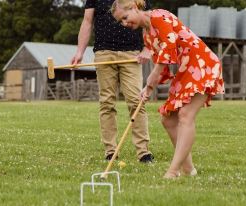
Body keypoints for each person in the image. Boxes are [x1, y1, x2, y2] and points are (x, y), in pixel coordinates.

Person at [111, 0, 225, 178]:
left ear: (134, 8)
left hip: (202, 65)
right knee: (168, 119)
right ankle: (189, 169)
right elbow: (161, 64)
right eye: (121, 22)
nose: (125, 23)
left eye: (125, 17)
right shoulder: (147, 35)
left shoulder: (159, 16)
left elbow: (168, 49)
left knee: (185, 115)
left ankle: (173, 171)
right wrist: (148, 89)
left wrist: (152, 78)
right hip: (186, 70)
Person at [71, 0, 154, 163]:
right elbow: (87, 21)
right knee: (107, 102)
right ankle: (110, 151)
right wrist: (80, 51)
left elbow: (149, 21)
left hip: (132, 55)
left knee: (136, 101)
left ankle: (143, 152)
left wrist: (148, 48)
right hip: (104, 53)